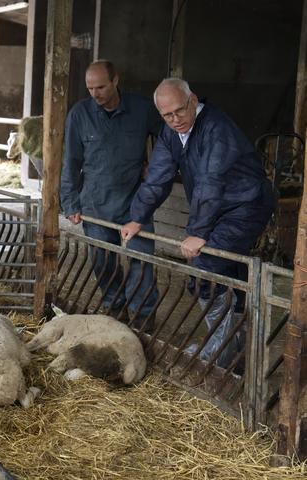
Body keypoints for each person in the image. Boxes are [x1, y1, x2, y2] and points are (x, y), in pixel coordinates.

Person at [121, 77, 276, 370]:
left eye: (180, 110)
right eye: (167, 115)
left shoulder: (217, 128)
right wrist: (137, 216)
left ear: (193, 100)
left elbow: (210, 180)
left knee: (206, 265)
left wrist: (197, 233)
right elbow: (158, 176)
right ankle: (235, 346)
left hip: (246, 204)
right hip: (217, 207)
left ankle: (223, 347)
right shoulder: (171, 133)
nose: (175, 119)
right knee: (229, 270)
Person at [60, 60, 163, 326]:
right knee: (103, 262)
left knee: (142, 261)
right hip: (95, 201)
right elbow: (70, 160)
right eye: (90, 88)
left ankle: (143, 318)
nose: (96, 93)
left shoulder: (142, 109)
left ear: (116, 80)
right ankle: (115, 310)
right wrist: (70, 202)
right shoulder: (79, 114)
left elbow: (168, 138)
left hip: (135, 202)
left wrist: (157, 165)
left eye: (101, 86)